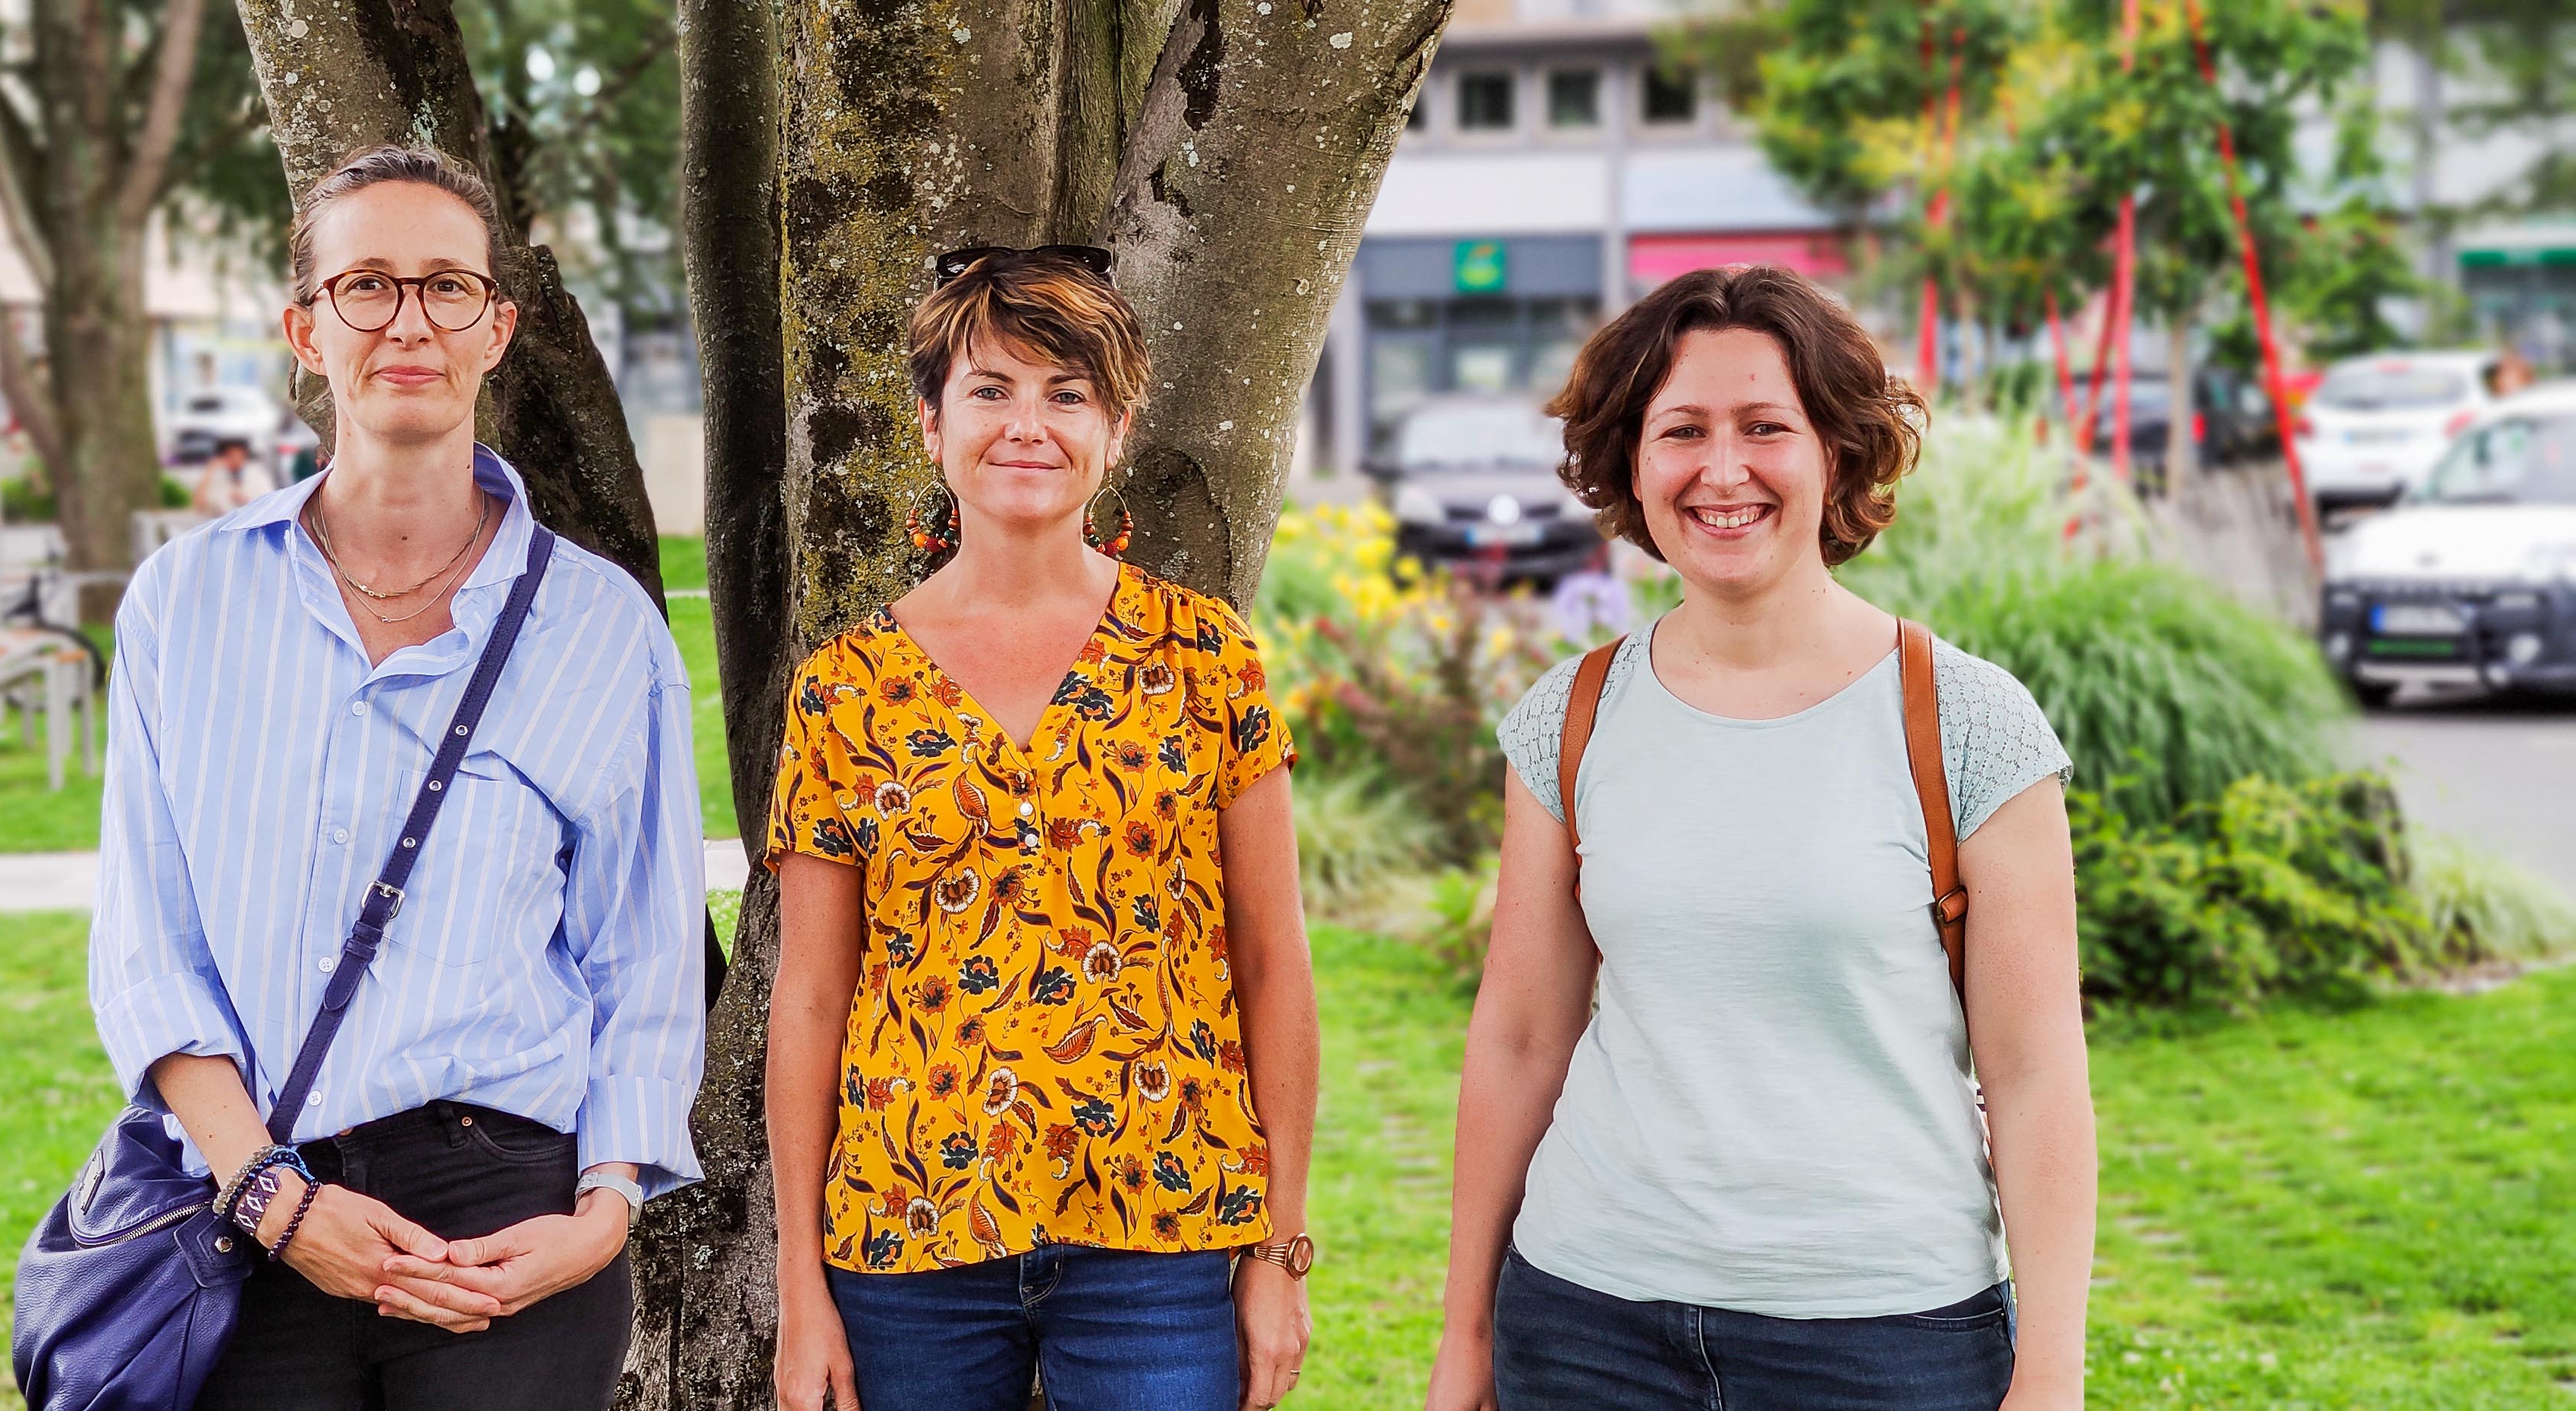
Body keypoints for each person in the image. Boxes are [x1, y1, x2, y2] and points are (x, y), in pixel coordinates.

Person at [86, 143, 705, 1411]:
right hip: (248, 1195)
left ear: (498, 328)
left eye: (447, 288)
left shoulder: (603, 631)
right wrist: (267, 1192)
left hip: (507, 1220)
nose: (409, 320)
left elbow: (641, 957)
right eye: (367, 285)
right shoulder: (186, 603)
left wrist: (603, 1213)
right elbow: (146, 941)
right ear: (306, 329)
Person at [1422, 265, 2094, 1411]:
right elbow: (1522, 1040)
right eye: (1681, 430)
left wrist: (2053, 1378)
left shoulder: (1968, 720)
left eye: (1764, 427)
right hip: (1589, 1322)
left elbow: (2035, 1076)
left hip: (1887, 1336)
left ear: (1835, 451)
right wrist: (1467, 1337)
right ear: (1632, 462)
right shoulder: (1571, 720)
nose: (1721, 470)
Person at [764, 245, 1319, 1411]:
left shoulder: (1203, 656)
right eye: (991, 389)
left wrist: (1278, 1251)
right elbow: (812, 996)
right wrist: (800, 1282)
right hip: (909, 1237)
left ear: (1115, 432)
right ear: (930, 424)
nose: (1030, 424)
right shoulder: (845, 688)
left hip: (1163, 1232)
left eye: (1068, 395)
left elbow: (1273, 961)